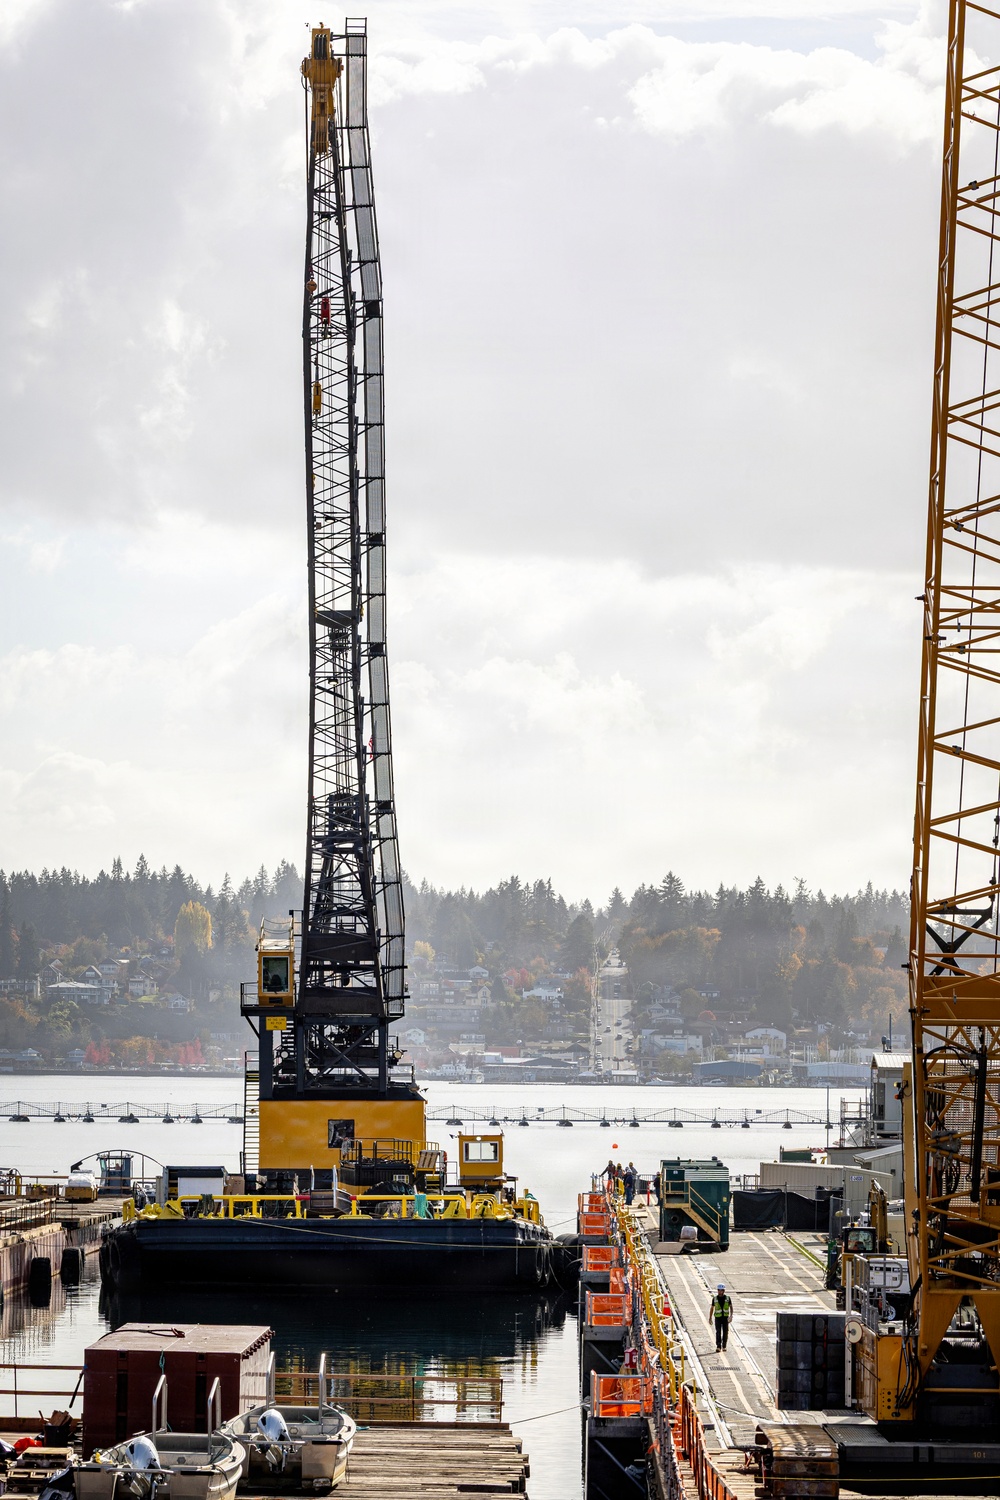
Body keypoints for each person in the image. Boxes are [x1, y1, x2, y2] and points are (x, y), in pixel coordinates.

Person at [710, 1283, 732, 1351]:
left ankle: (724, 1346)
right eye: (719, 1290)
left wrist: (731, 1316)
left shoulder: (728, 1298)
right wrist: (710, 1318)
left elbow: (731, 1307)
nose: (720, 1292)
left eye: (721, 1290)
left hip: (725, 1318)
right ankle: (718, 1346)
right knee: (718, 1332)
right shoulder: (715, 1299)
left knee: (725, 1332)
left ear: (724, 1291)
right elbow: (712, 1308)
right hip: (718, 1318)